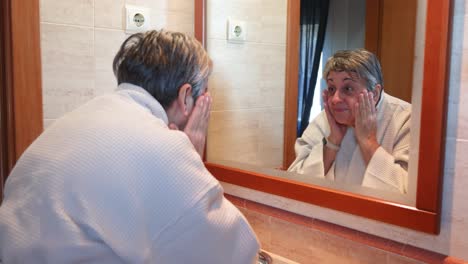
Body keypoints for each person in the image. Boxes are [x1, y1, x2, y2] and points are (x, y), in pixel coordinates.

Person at [0, 30, 259, 263]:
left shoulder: (77, 119)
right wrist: (187, 155)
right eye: (205, 96)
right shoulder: (161, 148)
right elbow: (235, 253)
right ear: (185, 98)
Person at [288, 49, 411, 194]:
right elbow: (294, 183)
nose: (335, 99)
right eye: (332, 88)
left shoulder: (406, 119)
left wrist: (368, 141)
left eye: (348, 88)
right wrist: (332, 143)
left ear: (375, 93)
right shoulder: (325, 119)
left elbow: (406, 193)